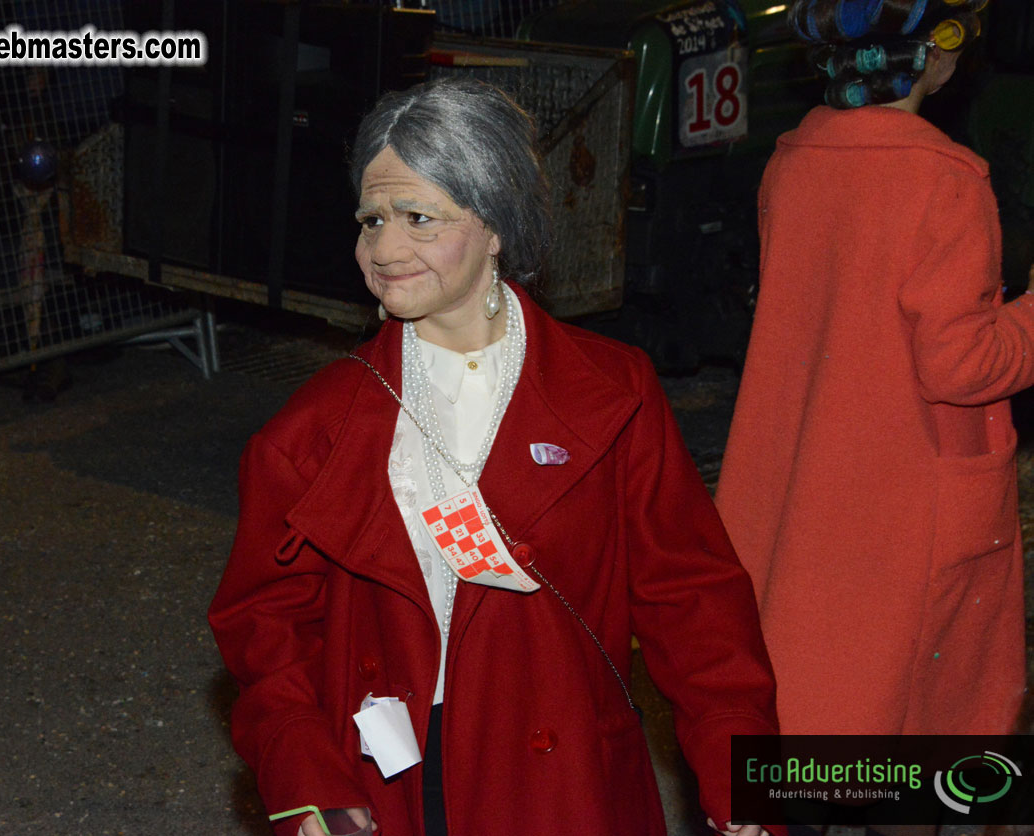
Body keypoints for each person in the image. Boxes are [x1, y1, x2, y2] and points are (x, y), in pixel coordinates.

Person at [208, 77, 779, 836]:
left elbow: (693, 600)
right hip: (394, 784)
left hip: (563, 782)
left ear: (496, 222)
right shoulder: (313, 428)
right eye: (370, 219)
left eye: (418, 218)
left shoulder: (611, 393)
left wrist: (741, 774)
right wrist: (306, 773)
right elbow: (263, 626)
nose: (382, 248)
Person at [716, 0, 1025, 741]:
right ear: (936, 56)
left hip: (807, 481)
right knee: (912, 726)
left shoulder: (791, 160)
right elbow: (961, 364)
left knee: (810, 701)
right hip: (903, 498)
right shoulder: (945, 177)